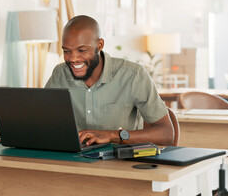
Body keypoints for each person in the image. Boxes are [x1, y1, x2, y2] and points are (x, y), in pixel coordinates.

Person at [45, 15, 174, 146]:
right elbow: (41, 122)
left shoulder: (133, 75)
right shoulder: (60, 74)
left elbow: (167, 134)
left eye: (82, 50)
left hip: (120, 162)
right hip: (73, 161)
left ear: (100, 45)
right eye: (66, 51)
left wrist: (113, 135)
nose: (73, 58)